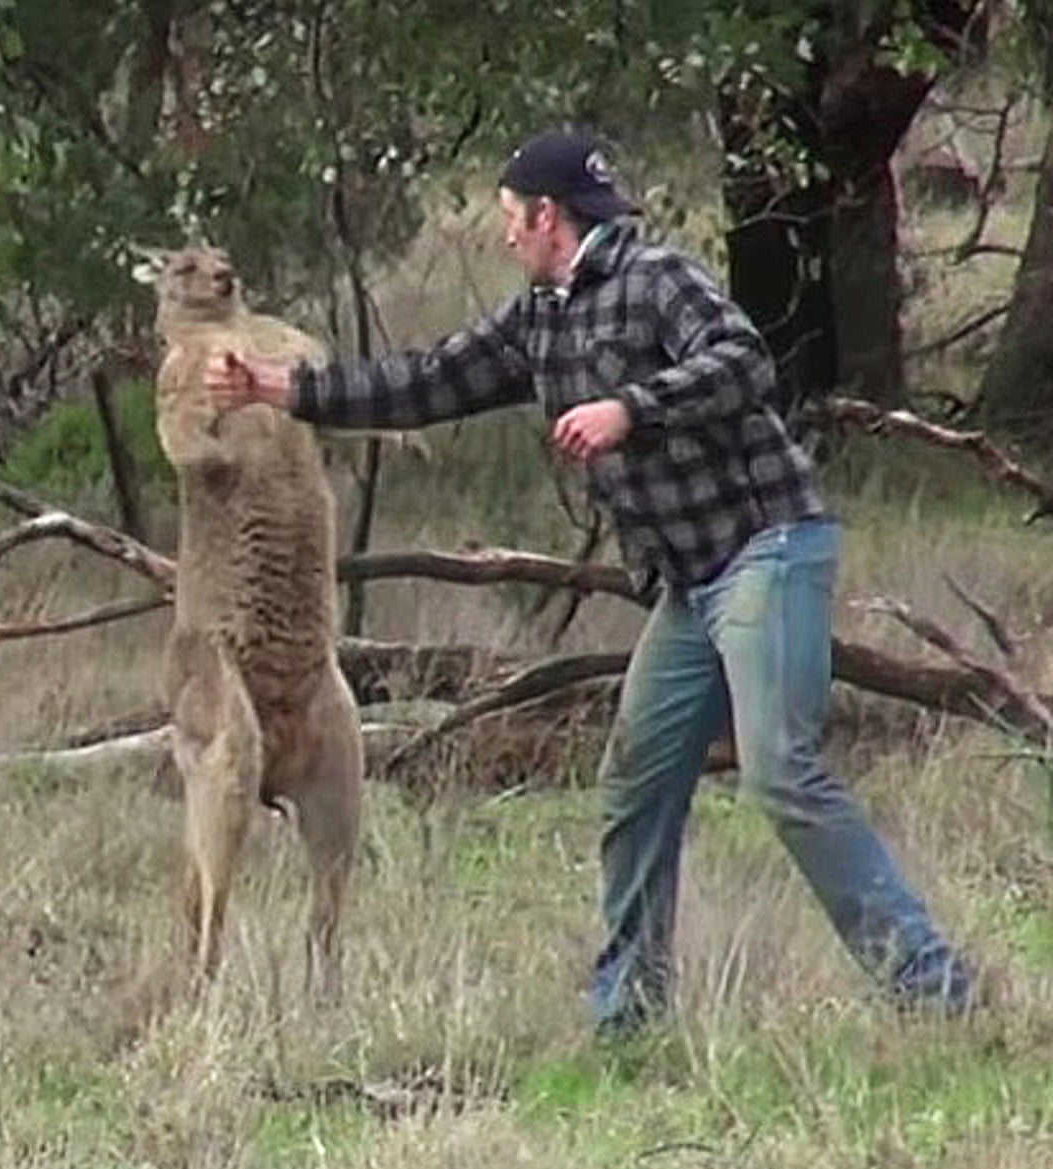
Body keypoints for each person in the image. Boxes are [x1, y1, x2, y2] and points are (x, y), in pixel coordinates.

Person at [205, 128, 973, 1030]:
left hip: (765, 549)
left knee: (781, 774)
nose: (504, 236)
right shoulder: (541, 316)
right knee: (638, 783)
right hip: (689, 584)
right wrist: (278, 390)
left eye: (509, 218)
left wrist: (630, 410)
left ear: (547, 216)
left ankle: (935, 991)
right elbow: (427, 382)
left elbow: (743, 361)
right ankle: (628, 1015)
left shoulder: (655, 279)